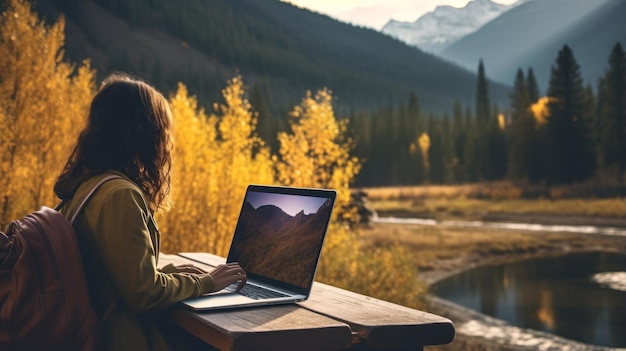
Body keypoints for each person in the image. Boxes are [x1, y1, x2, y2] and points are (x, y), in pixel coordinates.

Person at [54, 73, 246, 350]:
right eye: (162, 130)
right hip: (121, 338)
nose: (166, 141)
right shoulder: (121, 195)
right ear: (143, 133)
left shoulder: (88, 186)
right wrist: (206, 282)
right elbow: (143, 295)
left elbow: (110, 273)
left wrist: (169, 274)